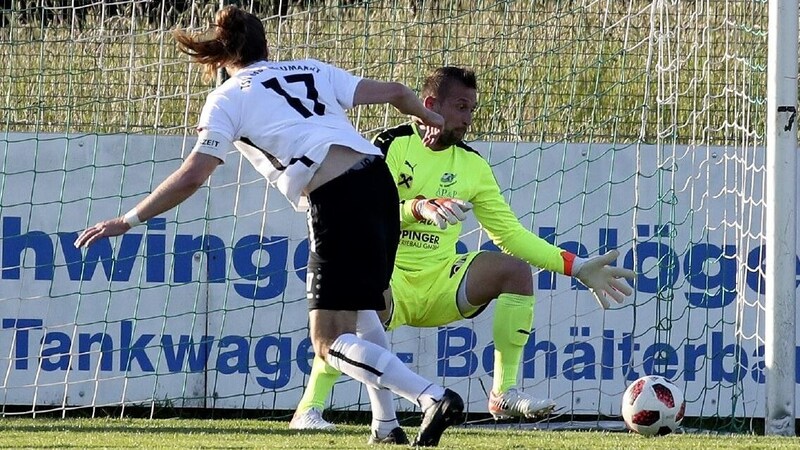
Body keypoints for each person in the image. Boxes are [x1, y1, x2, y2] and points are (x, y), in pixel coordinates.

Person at [73, 6, 465, 447]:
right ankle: (386, 426)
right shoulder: (310, 69)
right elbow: (396, 90)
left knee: (326, 340)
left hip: (337, 196)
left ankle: (431, 397)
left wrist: (128, 219)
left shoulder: (227, 97)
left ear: (220, 54)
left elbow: (193, 175)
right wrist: (432, 120)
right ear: (266, 46)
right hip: (379, 183)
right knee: (362, 312)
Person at [289, 66, 637, 438]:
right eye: (461, 107)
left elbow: (511, 234)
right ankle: (310, 408)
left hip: (442, 281)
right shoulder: (388, 147)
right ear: (429, 105)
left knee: (514, 271)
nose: (468, 119)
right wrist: (417, 207)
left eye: (472, 109)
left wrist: (578, 266)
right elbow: (361, 210)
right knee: (350, 309)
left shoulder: (473, 166)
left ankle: (504, 393)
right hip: (388, 279)